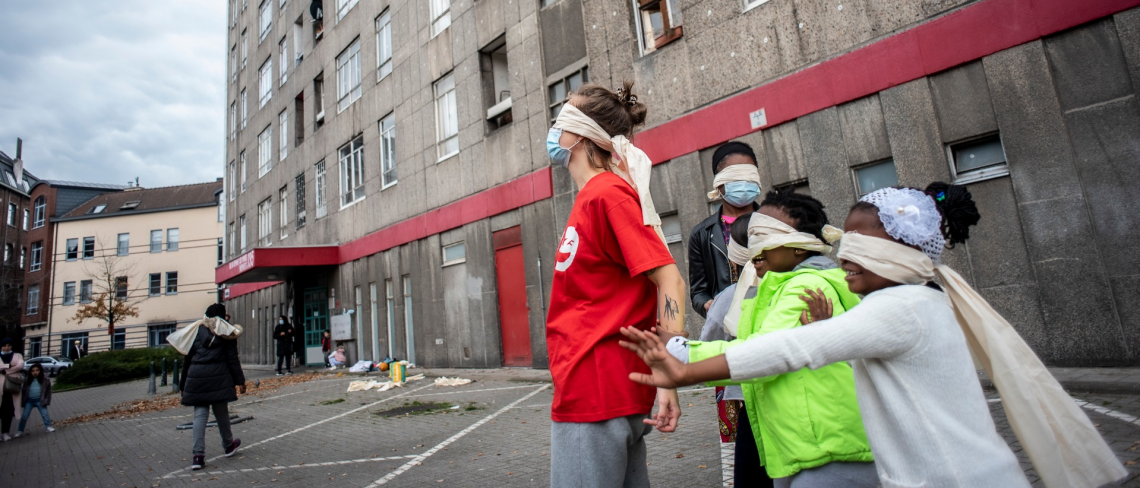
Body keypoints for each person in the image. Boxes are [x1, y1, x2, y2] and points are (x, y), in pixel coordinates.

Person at [620, 184, 1127, 488]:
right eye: (846, 242)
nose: (845, 255)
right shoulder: (902, 304)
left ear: (900, 256)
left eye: (862, 245)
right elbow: (826, 346)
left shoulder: (901, 307)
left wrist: (685, 368)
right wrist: (830, 334)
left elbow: (790, 348)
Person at [672, 190, 876, 486]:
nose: (755, 248)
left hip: (828, 448)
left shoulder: (807, 288)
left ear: (798, 245)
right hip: (802, 446)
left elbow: (762, 353)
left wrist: (682, 353)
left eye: (765, 235)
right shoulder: (773, 289)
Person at [544, 81, 684, 488]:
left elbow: (670, 281)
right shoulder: (594, 197)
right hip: (593, 388)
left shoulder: (608, 194)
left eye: (560, 119)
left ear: (582, 133)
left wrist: (668, 375)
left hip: (597, 390)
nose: (554, 130)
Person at [685, 142, 767, 483]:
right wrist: (711, 306)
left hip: (769, 330)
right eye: (736, 177)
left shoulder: (774, 221)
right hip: (728, 339)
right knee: (734, 429)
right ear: (719, 183)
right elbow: (698, 288)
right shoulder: (702, 234)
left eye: (750, 175)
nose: (744, 185)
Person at [180, 304, 246, 471]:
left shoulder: (195, 331)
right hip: (219, 378)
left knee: (200, 415)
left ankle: (198, 456)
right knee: (221, 412)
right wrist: (240, 381)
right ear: (222, 316)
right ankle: (228, 445)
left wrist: (182, 384)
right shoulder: (226, 333)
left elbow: (187, 360)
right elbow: (232, 359)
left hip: (196, 378)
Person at [16, 363, 53, 437]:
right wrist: (23, 401)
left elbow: (48, 391)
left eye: (37, 370)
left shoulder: (45, 379)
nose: (35, 372)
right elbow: (23, 390)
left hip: (40, 400)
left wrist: (46, 400)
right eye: (33, 371)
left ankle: (48, 426)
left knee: (44, 414)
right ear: (30, 372)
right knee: (24, 416)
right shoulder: (27, 380)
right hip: (29, 401)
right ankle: (20, 430)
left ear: (40, 371)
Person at [0, 338, 24, 442]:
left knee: (8, 411)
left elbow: (21, 365)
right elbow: (15, 366)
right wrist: (9, 365)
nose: (6, 348)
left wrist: (5, 370)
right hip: (0, 386)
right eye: (4, 345)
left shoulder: (17, 355)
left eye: (9, 345)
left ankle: (5, 432)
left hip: (12, 386)